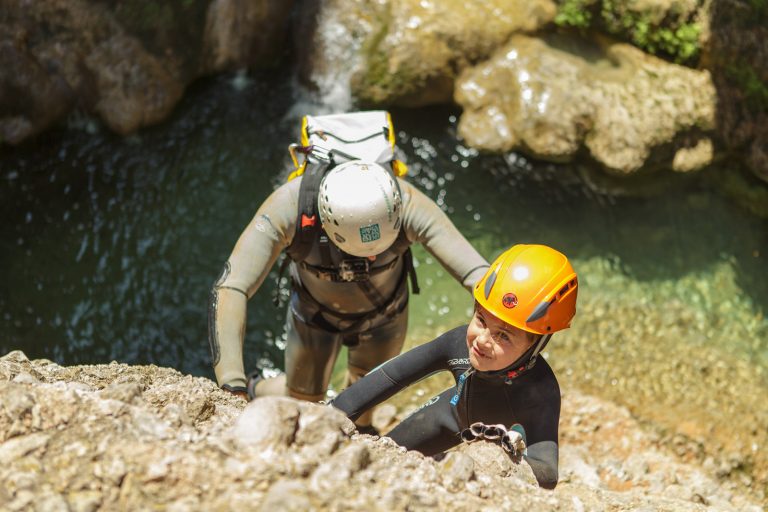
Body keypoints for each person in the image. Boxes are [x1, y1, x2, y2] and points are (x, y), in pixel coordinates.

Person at [208, 153, 489, 432]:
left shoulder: (407, 204)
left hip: (384, 318)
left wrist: (516, 322)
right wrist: (234, 386)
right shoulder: (291, 206)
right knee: (302, 400)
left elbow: (477, 275)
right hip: (314, 315)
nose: (369, 259)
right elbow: (232, 286)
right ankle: (258, 386)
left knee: (362, 410)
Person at [330, 244, 578, 488]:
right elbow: (392, 376)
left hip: (499, 441)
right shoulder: (457, 343)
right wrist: (328, 415)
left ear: (535, 346)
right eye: (481, 319)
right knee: (382, 462)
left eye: (503, 336)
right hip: (449, 416)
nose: (482, 340)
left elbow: (547, 474)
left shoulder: (540, 391)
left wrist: (509, 451)